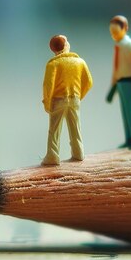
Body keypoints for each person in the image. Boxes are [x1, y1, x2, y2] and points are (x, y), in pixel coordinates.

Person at [41, 35, 93, 165]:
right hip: (74, 99)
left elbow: (48, 87)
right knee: (75, 127)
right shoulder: (80, 62)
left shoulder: (52, 64)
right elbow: (89, 82)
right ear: (66, 46)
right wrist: (79, 96)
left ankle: (52, 156)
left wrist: (47, 103)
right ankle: (78, 152)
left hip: (58, 101)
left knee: (54, 129)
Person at [106, 15, 131, 149]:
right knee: (125, 112)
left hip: (130, 82)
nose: (114, 36)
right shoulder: (118, 47)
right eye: (112, 33)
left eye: (116, 32)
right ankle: (129, 138)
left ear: (125, 29)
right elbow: (116, 68)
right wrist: (113, 83)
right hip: (120, 83)